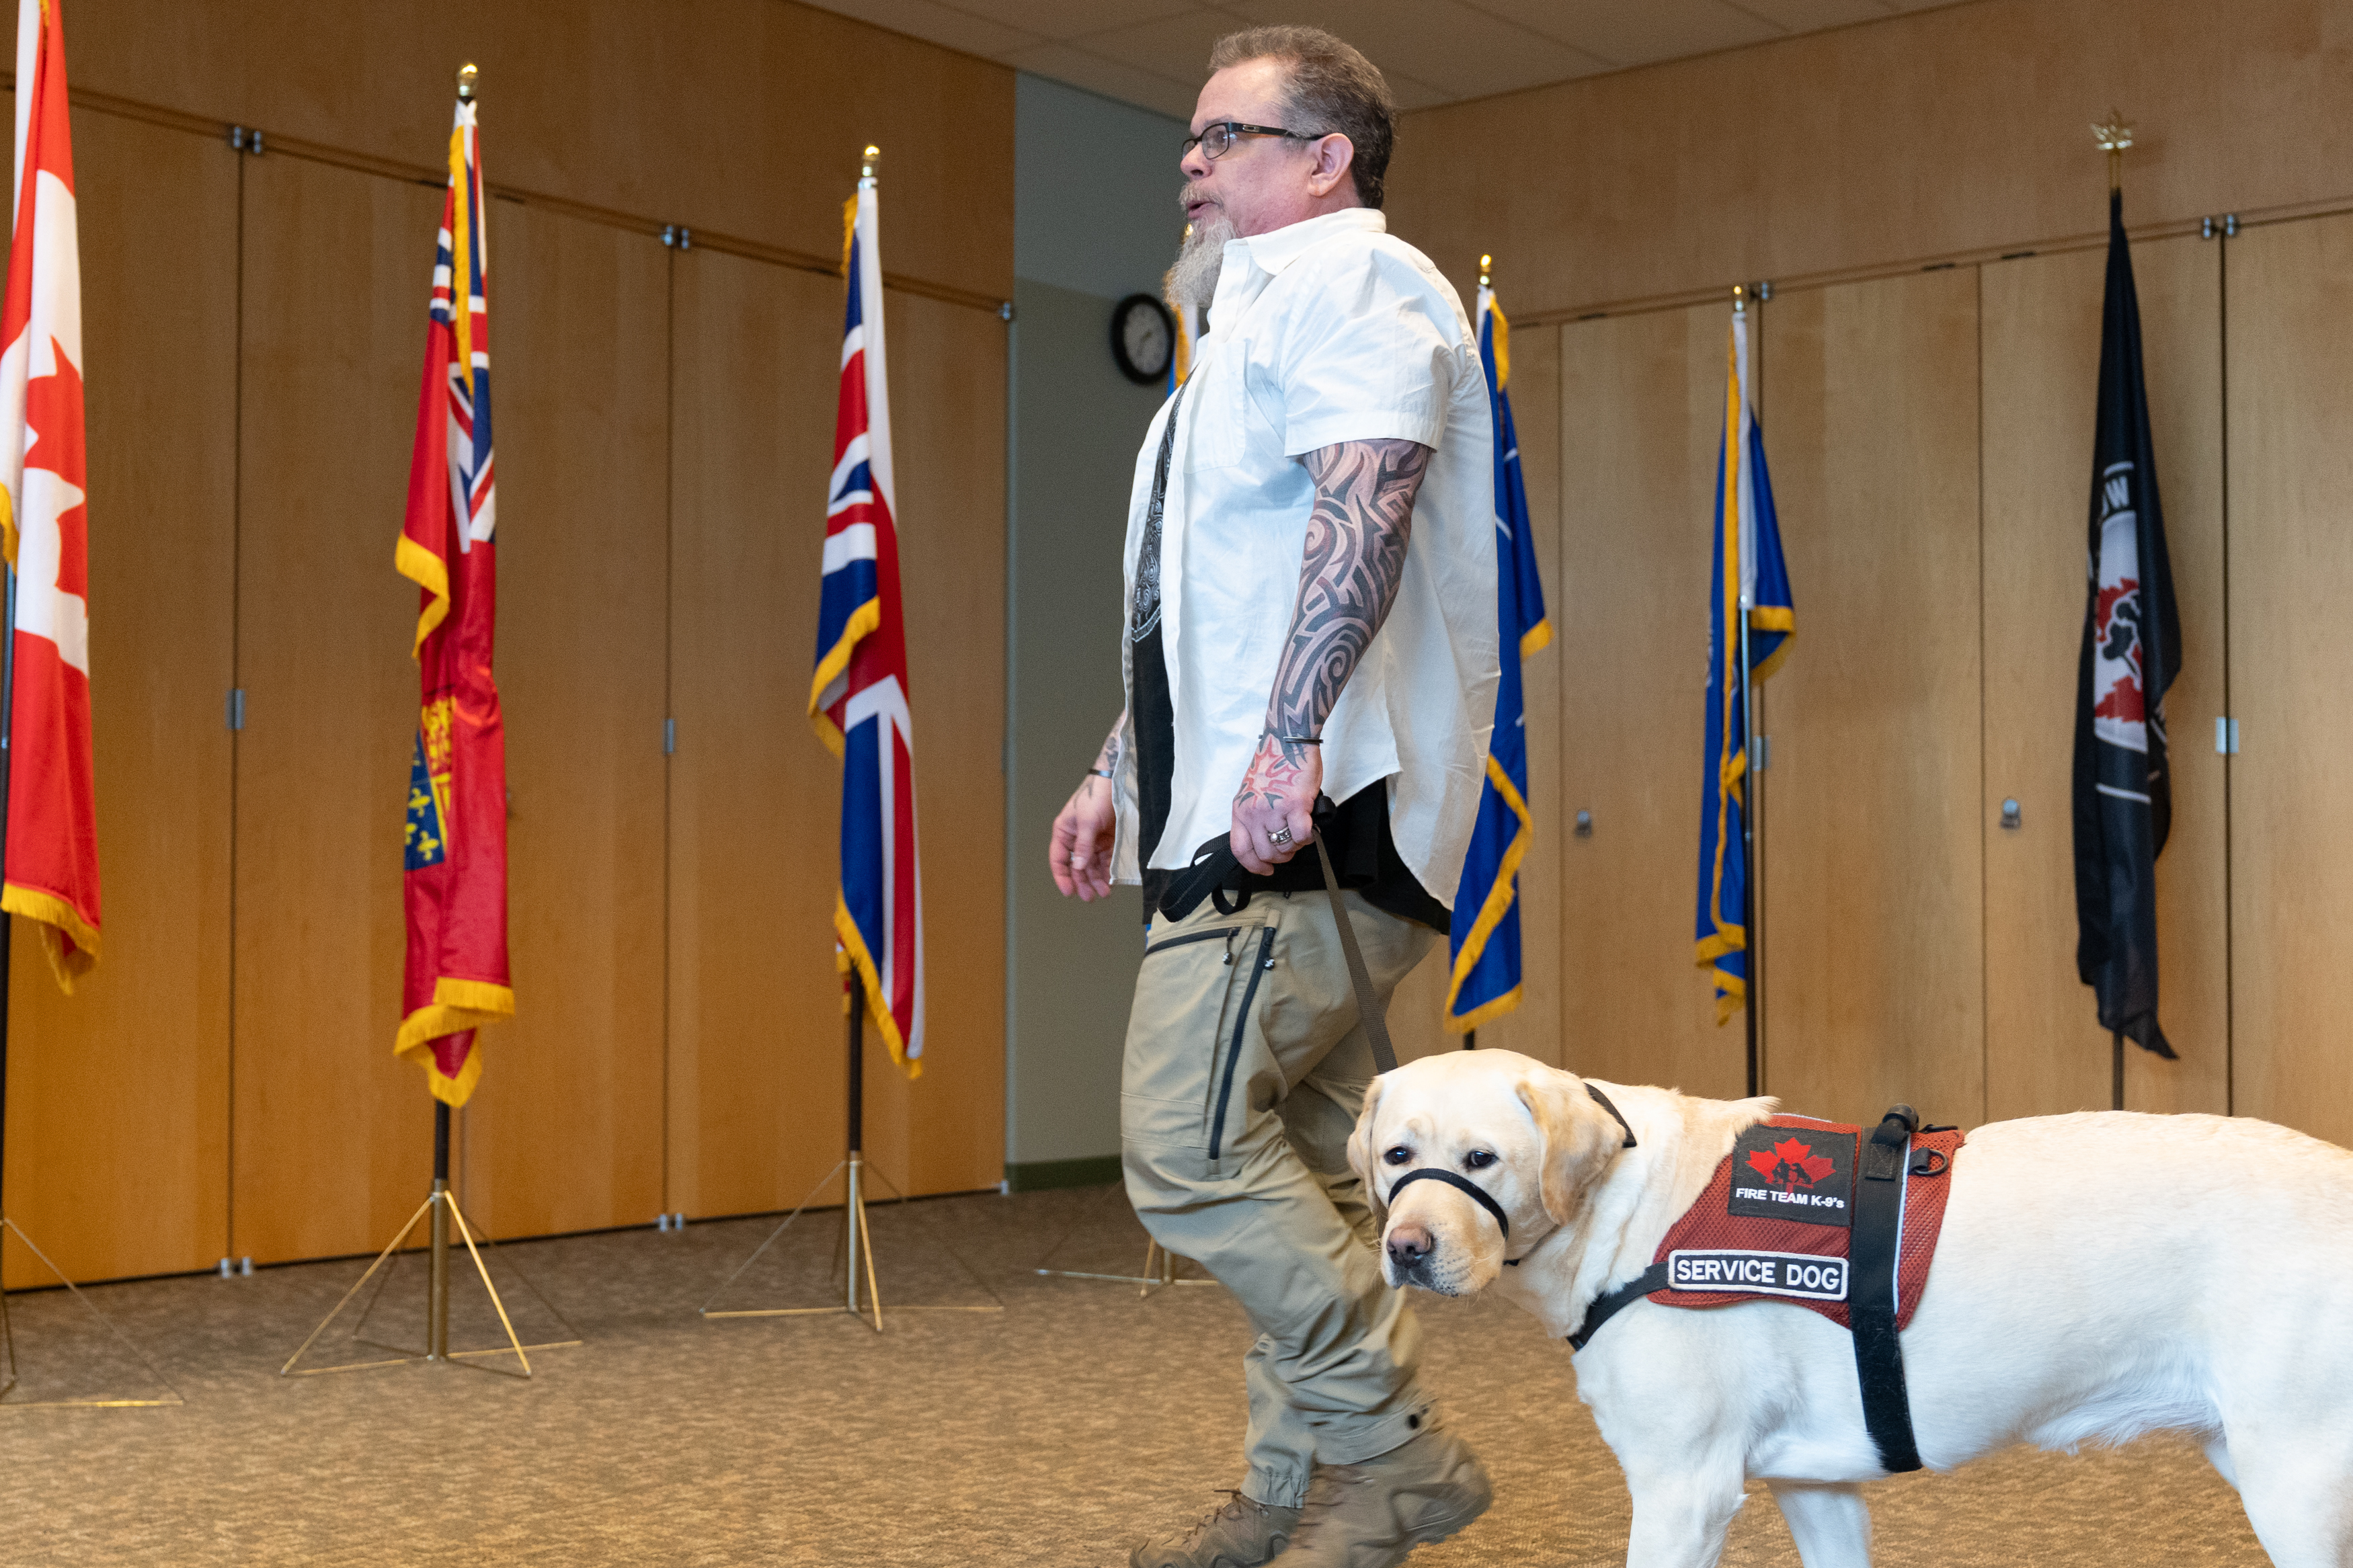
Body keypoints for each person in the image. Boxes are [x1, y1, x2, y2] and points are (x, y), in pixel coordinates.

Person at [1047, 26, 1501, 1568]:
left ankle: (1399, 1457)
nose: (1189, 161)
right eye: (1188, 138)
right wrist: (1119, 767)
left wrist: (1289, 737)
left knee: (1182, 1148)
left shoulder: (1358, 283)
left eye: (1226, 137)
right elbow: (1205, 606)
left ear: (1326, 162)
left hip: (1312, 824)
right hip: (1226, 807)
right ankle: (1303, 1505)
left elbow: (1361, 509)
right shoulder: (1227, 342)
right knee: (1298, 1170)